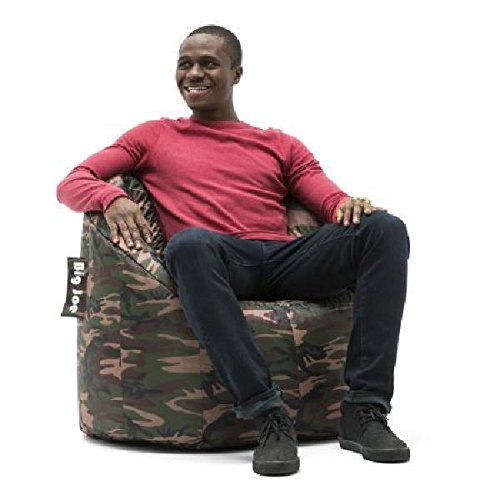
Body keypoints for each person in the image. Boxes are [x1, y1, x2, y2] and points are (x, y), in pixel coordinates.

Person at [56, 24, 411, 476]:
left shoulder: (279, 144)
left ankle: (364, 410)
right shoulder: (153, 136)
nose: (193, 73)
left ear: (236, 74)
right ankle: (267, 414)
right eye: (185, 64)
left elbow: (329, 200)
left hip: (285, 261)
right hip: (217, 263)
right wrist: (111, 197)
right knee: (188, 244)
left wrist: (349, 205)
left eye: (208, 63)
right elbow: (72, 182)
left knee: (385, 228)